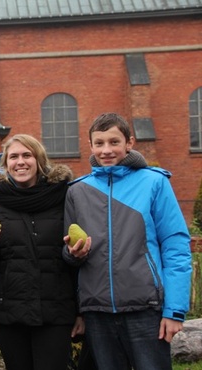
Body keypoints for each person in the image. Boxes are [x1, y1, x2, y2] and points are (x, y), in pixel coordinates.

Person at [62, 112, 192, 370]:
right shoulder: (77, 191)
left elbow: (175, 246)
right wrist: (73, 254)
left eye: (114, 142)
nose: (106, 150)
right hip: (97, 312)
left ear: (129, 143)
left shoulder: (154, 182)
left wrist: (174, 311)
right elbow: (67, 256)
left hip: (146, 309)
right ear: (90, 146)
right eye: (99, 143)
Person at [0, 134, 79, 370]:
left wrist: (80, 311)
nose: (20, 162)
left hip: (55, 311)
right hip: (8, 313)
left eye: (26, 155)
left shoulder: (63, 196)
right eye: (14, 157)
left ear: (39, 160)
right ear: (6, 164)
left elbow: (75, 262)